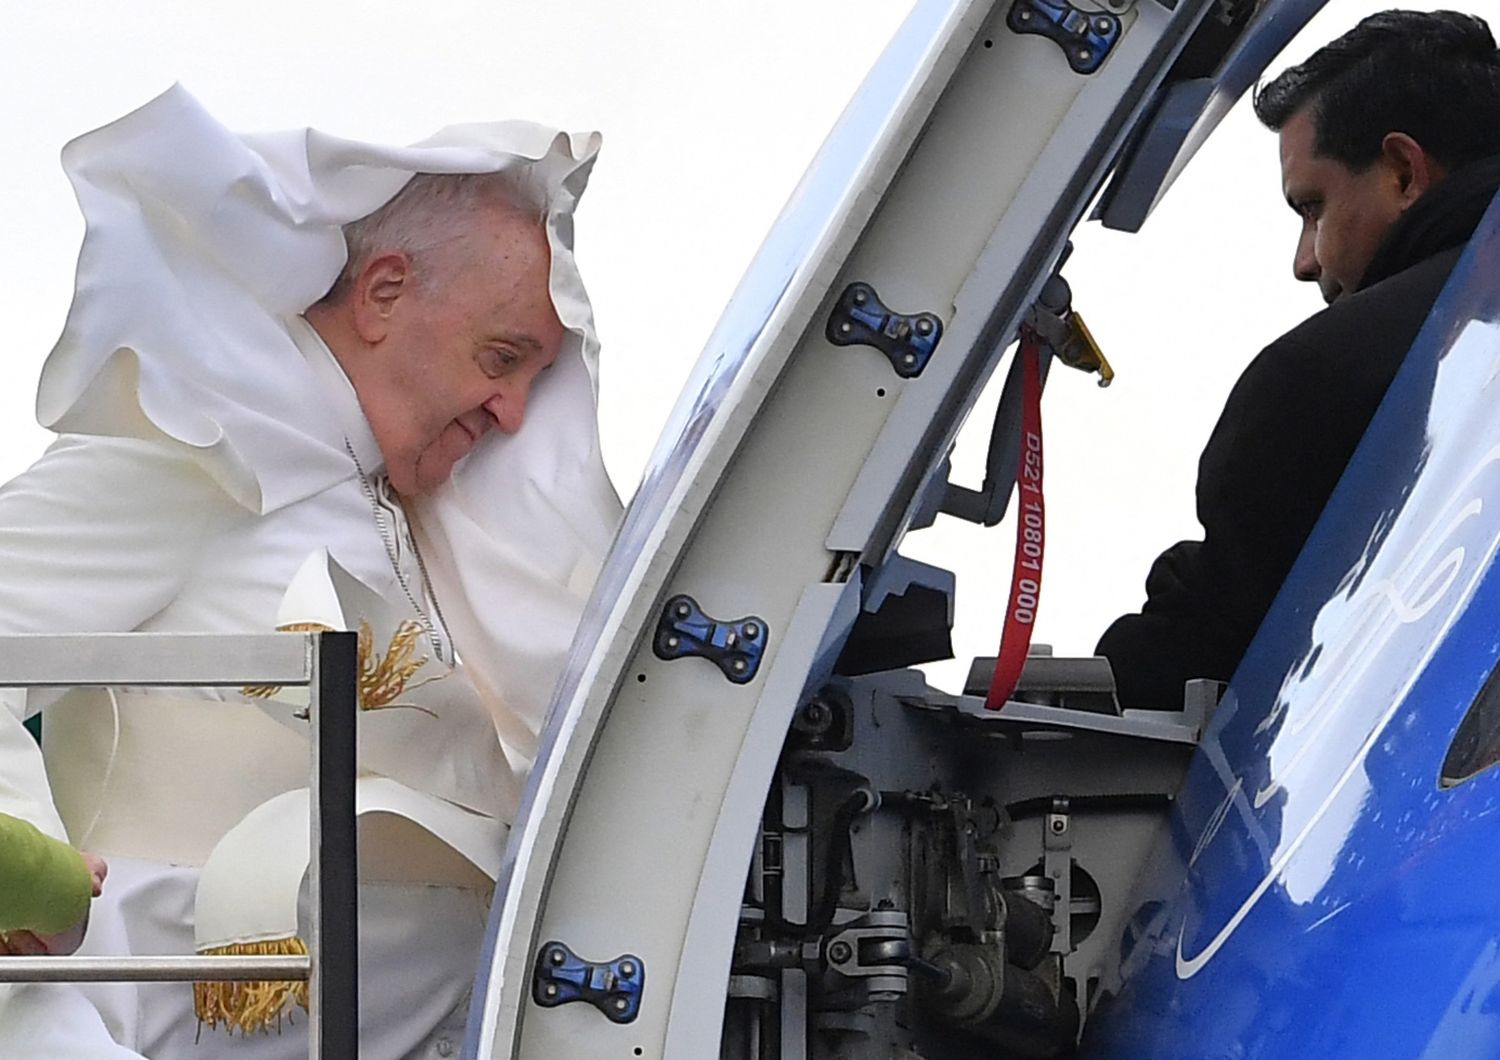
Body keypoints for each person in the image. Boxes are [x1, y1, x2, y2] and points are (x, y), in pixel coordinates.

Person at [0, 86, 621, 1058]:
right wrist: (33, 895)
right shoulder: (192, 449)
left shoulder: (399, 519)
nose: (510, 412)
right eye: (500, 358)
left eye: (532, 381)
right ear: (382, 294)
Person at [1097, 9, 1500, 710]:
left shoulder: (1323, 379)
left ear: (1404, 171)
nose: (1305, 261)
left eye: (1312, 208)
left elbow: (1220, 640)